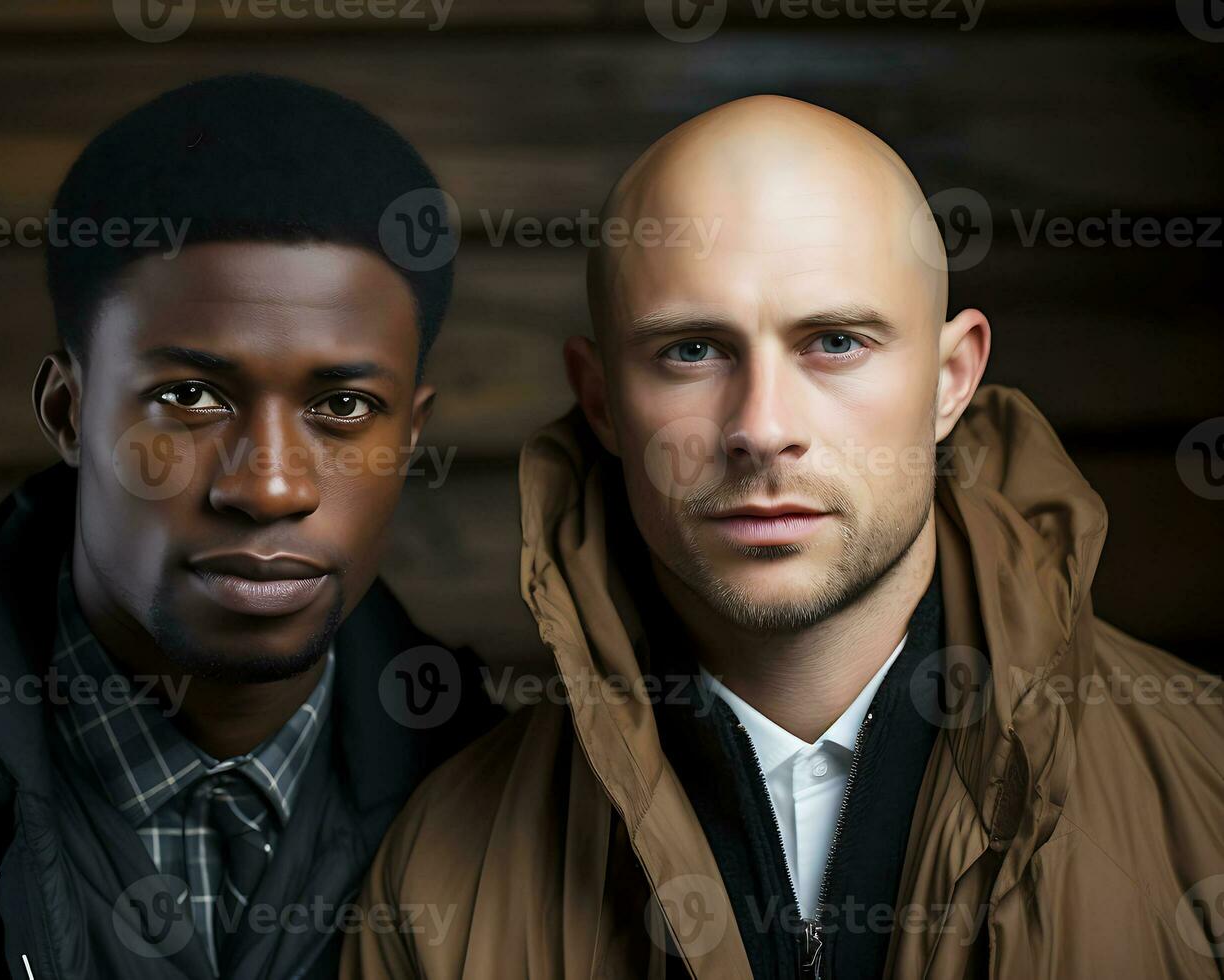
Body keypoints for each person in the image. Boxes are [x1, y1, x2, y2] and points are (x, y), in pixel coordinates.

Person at [346, 95, 1224, 979]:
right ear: (603, 399)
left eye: (836, 341)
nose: (762, 429)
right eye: (692, 351)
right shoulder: (440, 880)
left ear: (951, 380)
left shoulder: (1209, 788)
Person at [0, 73, 496, 980]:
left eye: (343, 405)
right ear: (68, 411)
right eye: (188, 398)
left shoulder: (521, 804)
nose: (266, 486)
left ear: (411, 436)